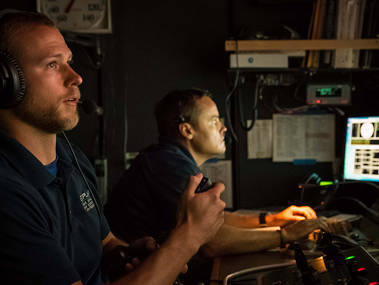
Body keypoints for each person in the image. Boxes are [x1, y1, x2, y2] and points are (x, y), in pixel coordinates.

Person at [0, 11, 226, 285]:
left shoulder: (72, 158)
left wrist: (124, 254)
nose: (76, 77)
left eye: (69, 62)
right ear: (6, 82)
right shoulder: (8, 193)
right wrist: (187, 239)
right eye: (52, 65)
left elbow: (104, 241)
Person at [106, 89, 329, 258]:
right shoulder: (167, 164)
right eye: (214, 121)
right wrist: (285, 236)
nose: (223, 128)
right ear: (187, 130)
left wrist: (272, 219)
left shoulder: (170, 158)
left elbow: (215, 221)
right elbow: (212, 241)